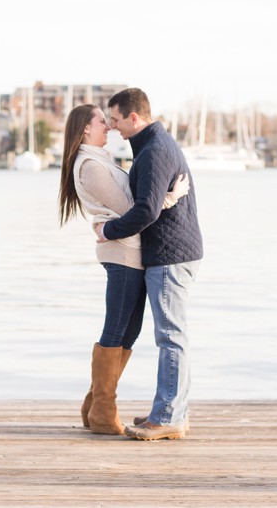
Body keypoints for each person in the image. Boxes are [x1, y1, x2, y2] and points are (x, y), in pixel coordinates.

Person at [58, 104, 189, 435]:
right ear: (86, 129)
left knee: (127, 332)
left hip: (130, 253)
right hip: (121, 255)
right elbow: (132, 209)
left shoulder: (100, 160)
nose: (109, 127)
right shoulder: (89, 165)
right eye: (102, 122)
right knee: (116, 330)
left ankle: (95, 403)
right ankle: (103, 409)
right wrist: (171, 196)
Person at [95, 88, 203, 441]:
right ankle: (173, 411)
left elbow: (146, 210)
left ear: (134, 118)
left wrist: (108, 230)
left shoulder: (154, 150)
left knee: (171, 335)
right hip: (170, 252)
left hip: (170, 255)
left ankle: (168, 416)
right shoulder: (153, 145)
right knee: (172, 334)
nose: (113, 127)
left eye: (115, 119)